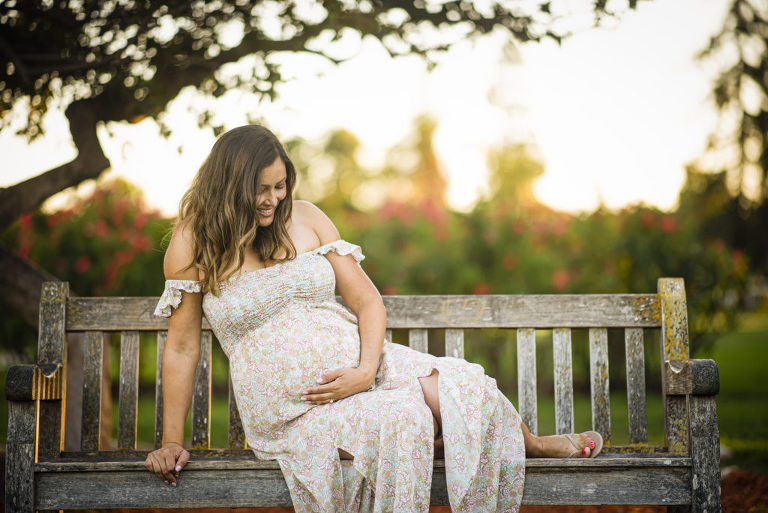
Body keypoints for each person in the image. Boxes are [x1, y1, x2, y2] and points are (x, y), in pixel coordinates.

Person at [145, 125, 603, 513]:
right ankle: (465, 441)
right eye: (260, 189)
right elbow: (184, 345)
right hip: (295, 409)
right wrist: (170, 440)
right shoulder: (193, 242)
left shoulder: (305, 218)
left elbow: (367, 301)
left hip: (364, 370)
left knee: (464, 383)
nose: (272, 199)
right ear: (229, 183)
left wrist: (365, 370)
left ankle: (533, 444)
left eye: (280, 185)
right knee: (405, 417)